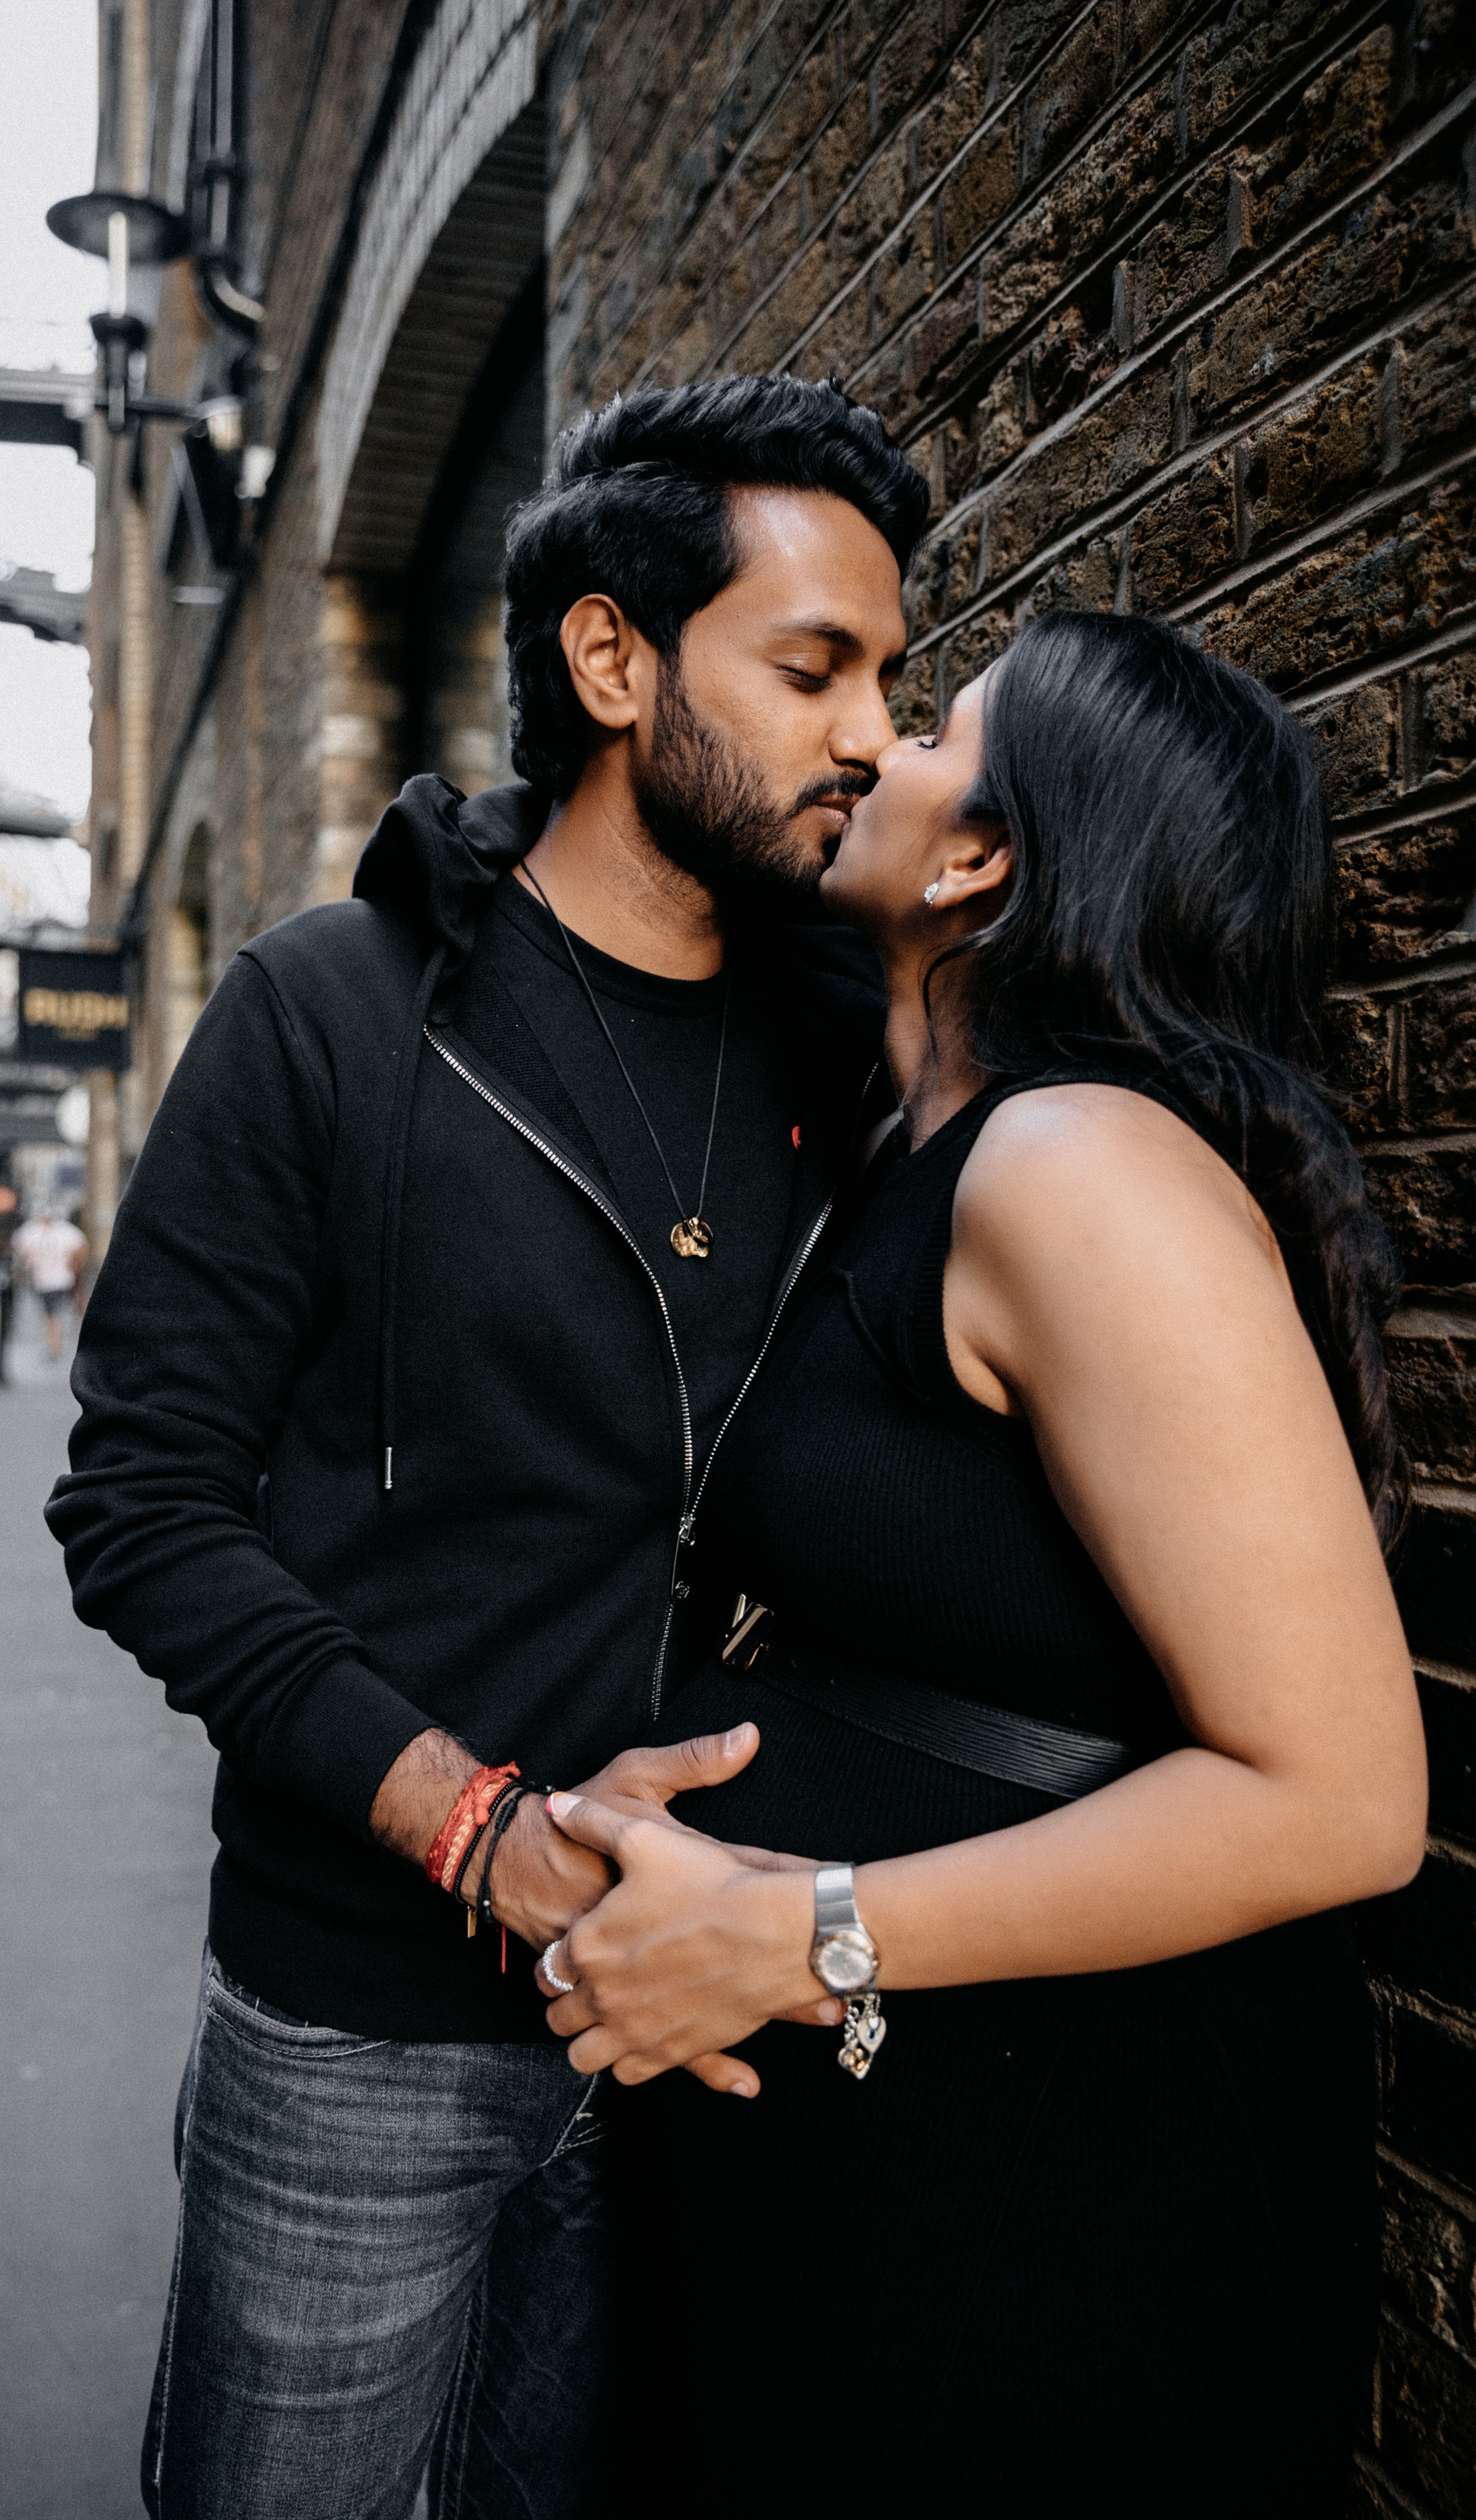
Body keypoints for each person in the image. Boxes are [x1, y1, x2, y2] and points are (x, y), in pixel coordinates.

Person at [45, 374, 927, 2520]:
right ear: (612, 659)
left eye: (894, 682)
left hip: (709, 2037)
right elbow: (141, 1507)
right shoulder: (329, 1013)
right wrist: (481, 1830)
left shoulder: (856, 1046)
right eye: (813, 667)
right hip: (363, 2033)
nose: (871, 737)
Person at [536, 611, 1429, 2517]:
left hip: (1064, 2167)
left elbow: (1344, 1797)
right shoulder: (912, 1147)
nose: (873, 745)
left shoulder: (1073, 1164)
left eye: (933, 725)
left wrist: (798, 1928)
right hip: (903, 2157)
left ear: (977, 857)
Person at [12, 1205, 88, 1358]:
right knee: (54, 1314)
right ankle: (55, 1343)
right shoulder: (66, 1231)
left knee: (51, 1314)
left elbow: (20, 1250)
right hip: (56, 1280)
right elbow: (81, 1247)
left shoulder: (32, 1231)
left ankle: (54, 1344)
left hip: (51, 1280)